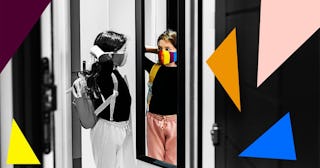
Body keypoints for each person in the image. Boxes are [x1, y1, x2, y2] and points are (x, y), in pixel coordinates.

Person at [72, 31, 135, 168]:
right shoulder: (104, 75)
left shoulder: (113, 73)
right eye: (123, 50)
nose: (125, 54)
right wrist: (98, 51)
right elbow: (105, 65)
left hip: (119, 128)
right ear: (109, 55)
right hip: (107, 130)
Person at [144, 29, 178, 165]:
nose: (162, 52)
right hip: (154, 120)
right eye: (160, 48)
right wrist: (155, 50)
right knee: (155, 160)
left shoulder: (184, 71)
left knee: (173, 161)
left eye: (167, 49)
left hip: (174, 121)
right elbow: (139, 49)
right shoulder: (154, 68)